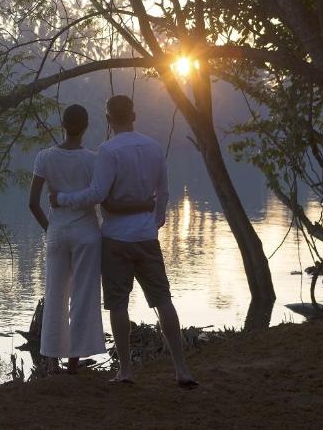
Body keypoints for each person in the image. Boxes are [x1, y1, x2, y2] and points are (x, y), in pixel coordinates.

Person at [49, 94, 198, 388]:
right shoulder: (153, 148)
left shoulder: (107, 150)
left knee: (118, 304)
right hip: (146, 237)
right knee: (163, 300)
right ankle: (181, 369)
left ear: (107, 120)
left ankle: (126, 370)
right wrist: (153, 219)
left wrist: (62, 199)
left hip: (116, 238)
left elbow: (96, 194)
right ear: (134, 115)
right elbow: (164, 193)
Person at [28, 104, 106, 374]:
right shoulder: (95, 160)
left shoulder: (45, 157)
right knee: (84, 295)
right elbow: (100, 197)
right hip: (86, 233)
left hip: (58, 233)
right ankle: (74, 362)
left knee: (55, 294)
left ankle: (51, 360)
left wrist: (49, 229)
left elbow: (33, 203)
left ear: (62, 124)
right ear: (86, 127)